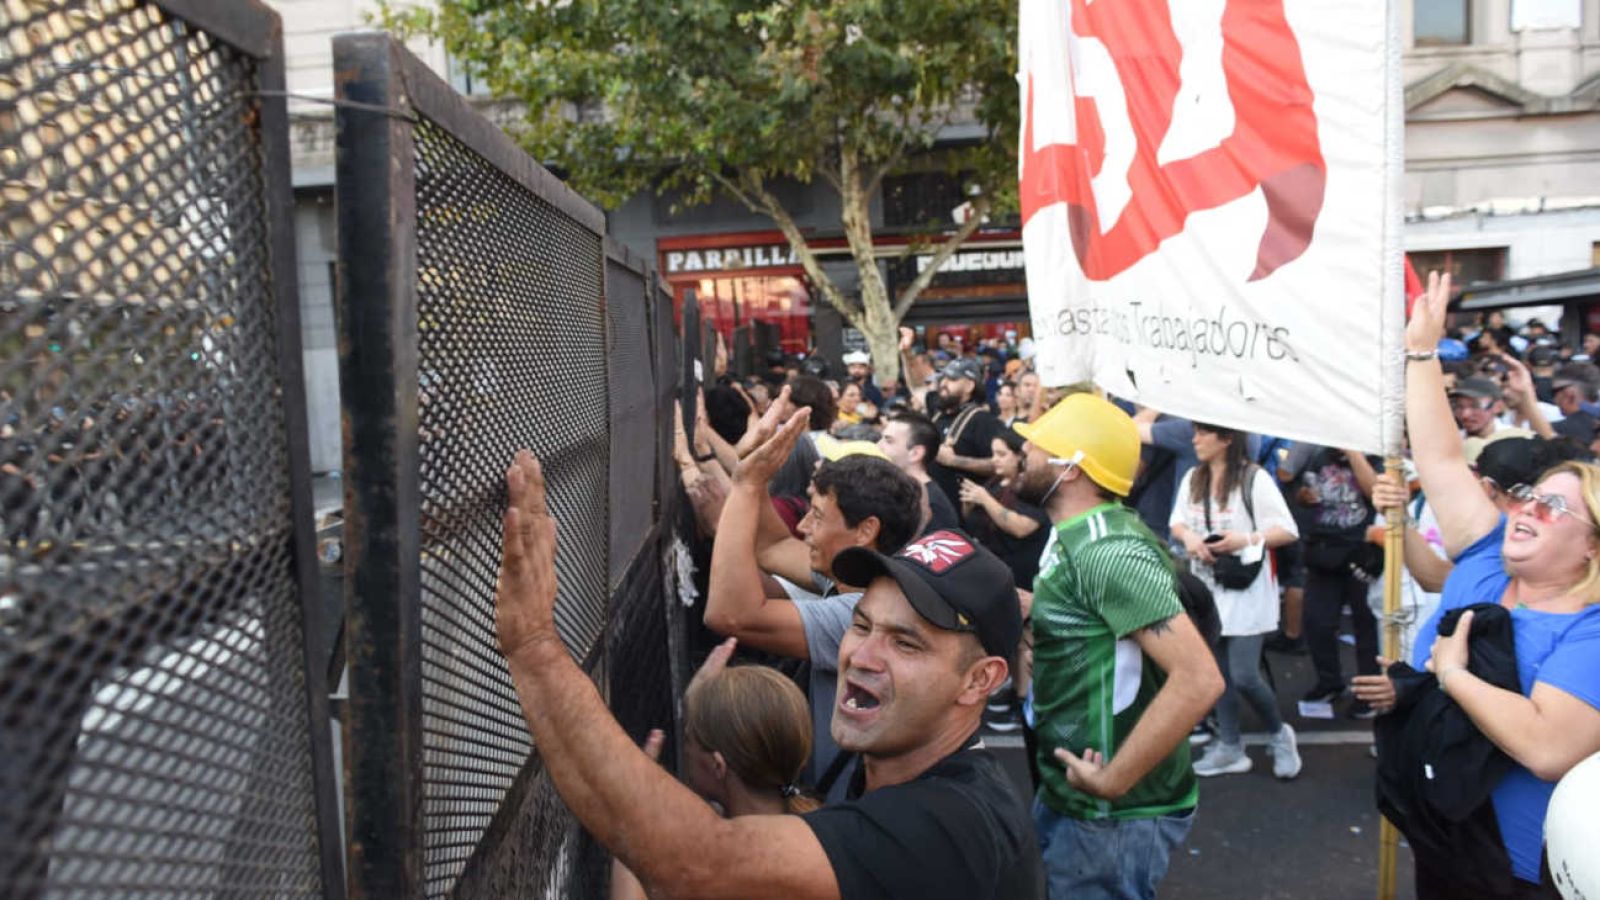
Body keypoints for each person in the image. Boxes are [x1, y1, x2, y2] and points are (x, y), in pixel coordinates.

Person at [495, 453, 1042, 900]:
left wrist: (536, 647)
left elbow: (697, 865)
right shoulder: (890, 762)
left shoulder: (954, 823)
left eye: (905, 643)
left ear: (979, 680)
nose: (862, 657)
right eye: (861, 625)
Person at [1353, 271, 1600, 898]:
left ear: (1593, 545)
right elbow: (1437, 457)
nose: (1526, 512)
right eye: (1530, 500)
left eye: (1553, 510)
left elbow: (1548, 747)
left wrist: (1453, 674)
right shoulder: (1489, 555)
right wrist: (1421, 350)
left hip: (1516, 875)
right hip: (1442, 837)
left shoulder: (1591, 627)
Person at [1013, 394, 1225, 900]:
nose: (1024, 452)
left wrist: (1112, 781)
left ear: (1073, 469)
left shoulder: (1109, 554)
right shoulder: (1078, 537)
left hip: (1109, 813)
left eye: (1038, 446)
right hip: (1074, 793)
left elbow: (1199, 679)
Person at [705, 405, 923, 802]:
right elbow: (772, 546)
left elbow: (729, 613)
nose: (803, 527)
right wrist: (752, 468)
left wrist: (744, 487)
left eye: (817, 517)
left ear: (865, 531)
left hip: (841, 814)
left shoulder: (864, 613)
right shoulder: (861, 575)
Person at [611, 638, 819, 900]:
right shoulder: (817, 835)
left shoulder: (730, 874)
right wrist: (698, 704)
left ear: (717, 765)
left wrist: (632, 813)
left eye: (688, 739)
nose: (685, 749)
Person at [1167, 424, 1302, 779]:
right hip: (1206, 590)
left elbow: (1287, 530)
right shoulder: (1193, 478)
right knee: (1217, 674)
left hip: (1245, 591)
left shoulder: (1254, 479)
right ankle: (1230, 745)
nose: (1195, 439)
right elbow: (1177, 522)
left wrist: (1243, 539)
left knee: (1244, 674)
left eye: (1203, 433)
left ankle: (1278, 734)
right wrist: (1192, 538)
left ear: (1227, 438)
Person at [1296, 445, 1385, 715]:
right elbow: (1302, 492)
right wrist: (1305, 496)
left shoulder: (1376, 458)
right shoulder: (1319, 456)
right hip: (1324, 549)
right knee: (1317, 622)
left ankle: (1368, 694)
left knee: (1366, 627)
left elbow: (1375, 494)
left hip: (1360, 551)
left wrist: (1355, 454)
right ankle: (1329, 681)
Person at [957, 430, 1050, 588]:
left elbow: (1021, 528)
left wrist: (985, 498)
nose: (995, 460)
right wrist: (969, 502)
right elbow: (970, 519)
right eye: (993, 454)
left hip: (1017, 575)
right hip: (989, 567)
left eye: (1001, 454)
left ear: (1019, 456)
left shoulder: (1030, 487)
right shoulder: (994, 482)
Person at [929, 358, 1004, 509]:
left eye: (952, 379)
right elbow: (916, 385)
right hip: (933, 508)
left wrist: (954, 460)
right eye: (943, 378)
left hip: (961, 517)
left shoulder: (983, 420)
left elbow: (999, 466)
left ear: (969, 386)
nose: (944, 383)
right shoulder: (938, 414)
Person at [877, 412, 961, 534]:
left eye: (889, 441)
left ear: (915, 453)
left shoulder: (934, 508)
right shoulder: (896, 489)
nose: (878, 446)